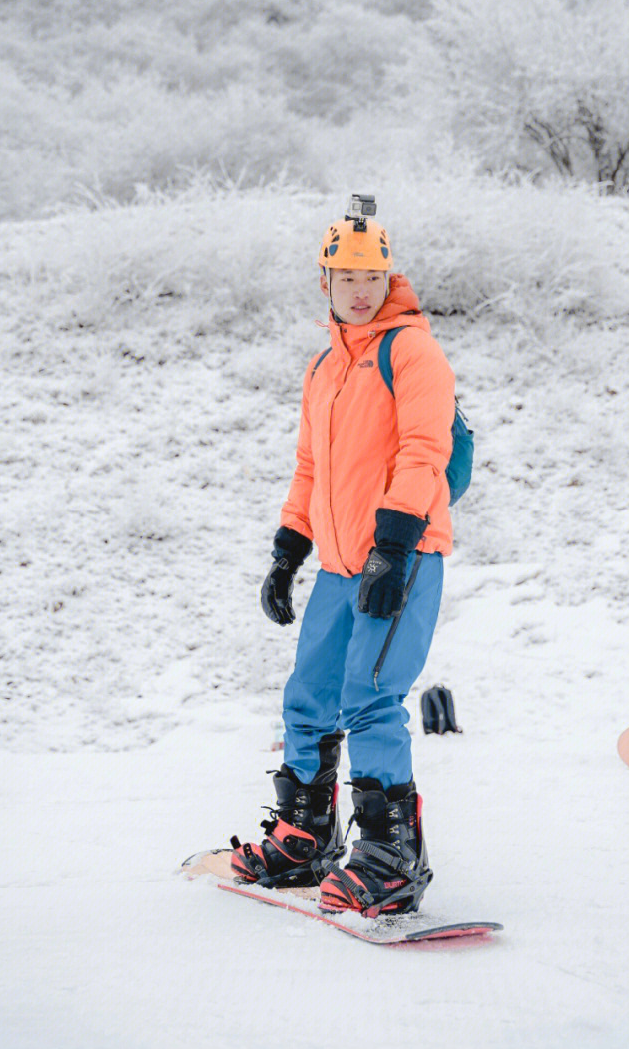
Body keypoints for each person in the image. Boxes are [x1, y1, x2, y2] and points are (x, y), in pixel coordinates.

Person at [230, 196, 457, 916]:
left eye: (373, 275)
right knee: (308, 696)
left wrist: (393, 545)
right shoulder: (324, 367)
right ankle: (306, 834)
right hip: (336, 560)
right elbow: (309, 467)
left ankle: (393, 855)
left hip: (403, 551)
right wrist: (286, 551)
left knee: (370, 694)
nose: (361, 288)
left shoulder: (413, 349)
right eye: (346, 275)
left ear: (389, 277)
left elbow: (426, 449)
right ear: (323, 280)